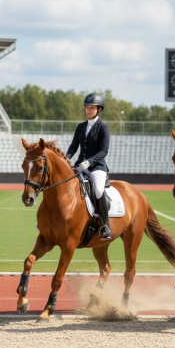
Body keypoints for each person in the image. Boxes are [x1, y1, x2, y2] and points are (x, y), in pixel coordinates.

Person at [66, 93, 112, 240]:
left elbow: (104, 151)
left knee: (98, 190)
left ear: (99, 109)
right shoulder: (81, 126)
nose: (88, 110)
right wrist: (66, 158)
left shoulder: (103, 128)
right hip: (80, 166)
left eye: (92, 108)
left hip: (97, 167)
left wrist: (89, 162)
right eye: (87, 107)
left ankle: (105, 225)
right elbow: (73, 146)